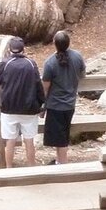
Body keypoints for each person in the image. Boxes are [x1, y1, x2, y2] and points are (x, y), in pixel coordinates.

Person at [0, 37, 44, 168]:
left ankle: (9, 169)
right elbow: (38, 85)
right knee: (29, 140)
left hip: (9, 108)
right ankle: (31, 168)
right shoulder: (31, 64)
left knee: (10, 141)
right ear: (23, 49)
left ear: (9, 49)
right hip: (29, 108)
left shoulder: (6, 63)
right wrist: (42, 103)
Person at [41, 30, 85, 164]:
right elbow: (82, 74)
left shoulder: (50, 63)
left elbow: (45, 87)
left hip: (55, 105)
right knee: (62, 135)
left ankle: (63, 164)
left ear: (54, 43)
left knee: (60, 139)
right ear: (68, 43)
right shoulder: (77, 57)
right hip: (70, 104)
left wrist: (42, 105)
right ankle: (59, 162)